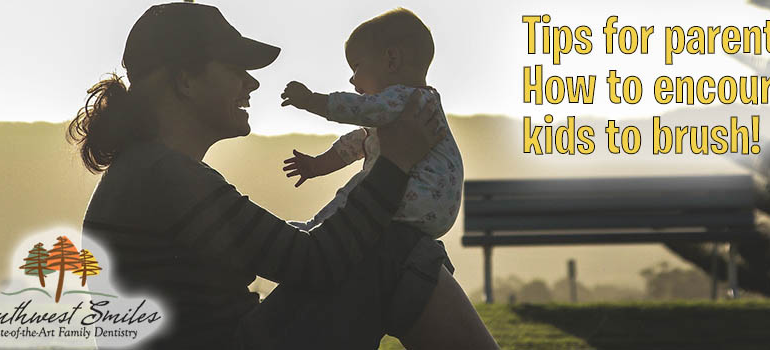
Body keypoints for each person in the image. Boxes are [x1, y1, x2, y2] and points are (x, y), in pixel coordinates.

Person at [66, 2, 498, 349]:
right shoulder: (165, 177)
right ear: (186, 81)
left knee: (390, 247)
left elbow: (286, 255)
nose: (251, 84)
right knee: (396, 249)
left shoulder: (147, 172)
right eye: (235, 68)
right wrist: (397, 163)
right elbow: (313, 263)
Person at [280, 8, 463, 242]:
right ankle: (316, 229)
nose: (352, 79)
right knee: (365, 187)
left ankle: (316, 231)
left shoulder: (406, 98)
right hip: (434, 209)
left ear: (391, 60)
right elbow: (358, 143)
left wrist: (311, 100)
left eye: (356, 67)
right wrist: (317, 165)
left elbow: (359, 109)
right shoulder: (415, 106)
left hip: (416, 196)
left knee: (359, 190)